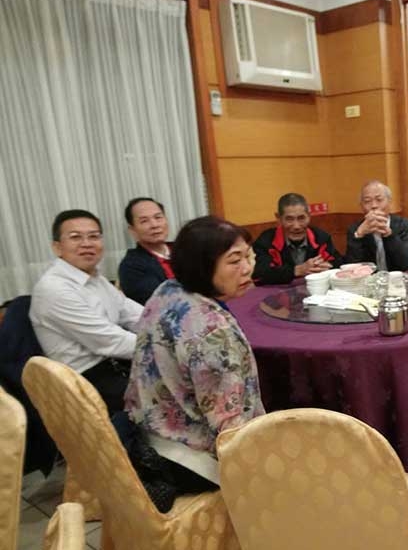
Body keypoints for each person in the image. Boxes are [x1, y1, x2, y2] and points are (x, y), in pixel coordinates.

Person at [125, 216, 265, 495]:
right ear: (202, 266)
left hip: (147, 433)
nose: (247, 268)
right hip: (189, 460)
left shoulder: (167, 290)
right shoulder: (213, 332)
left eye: (248, 256)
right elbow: (229, 431)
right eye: (234, 261)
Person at [30, 210, 143, 413]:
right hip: (88, 384)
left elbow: (137, 315)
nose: (87, 244)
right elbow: (110, 341)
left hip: (118, 365)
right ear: (57, 247)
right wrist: (168, 347)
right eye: (75, 237)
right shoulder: (54, 289)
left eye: (94, 236)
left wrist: (178, 331)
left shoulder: (96, 279)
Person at [252, 192, 343, 285]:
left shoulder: (321, 237)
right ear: (279, 218)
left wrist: (326, 267)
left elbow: (338, 263)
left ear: (309, 216)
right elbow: (259, 275)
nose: (296, 226)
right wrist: (296, 270)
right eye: (289, 219)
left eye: (301, 218)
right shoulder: (266, 241)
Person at [345, 180, 408, 271]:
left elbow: (407, 263)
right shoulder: (355, 230)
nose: (374, 206)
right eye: (367, 201)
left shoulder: (407, 226)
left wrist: (389, 235)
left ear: (389, 202)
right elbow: (351, 267)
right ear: (361, 206)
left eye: (379, 200)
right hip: (370, 279)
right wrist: (359, 235)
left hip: (401, 277)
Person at [118, 197, 173, 305]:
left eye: (158, 217)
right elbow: (160, 304)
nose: (154, 225)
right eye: (144, 221)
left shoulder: (186, 248)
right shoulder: (132, 266)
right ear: (132, 230)